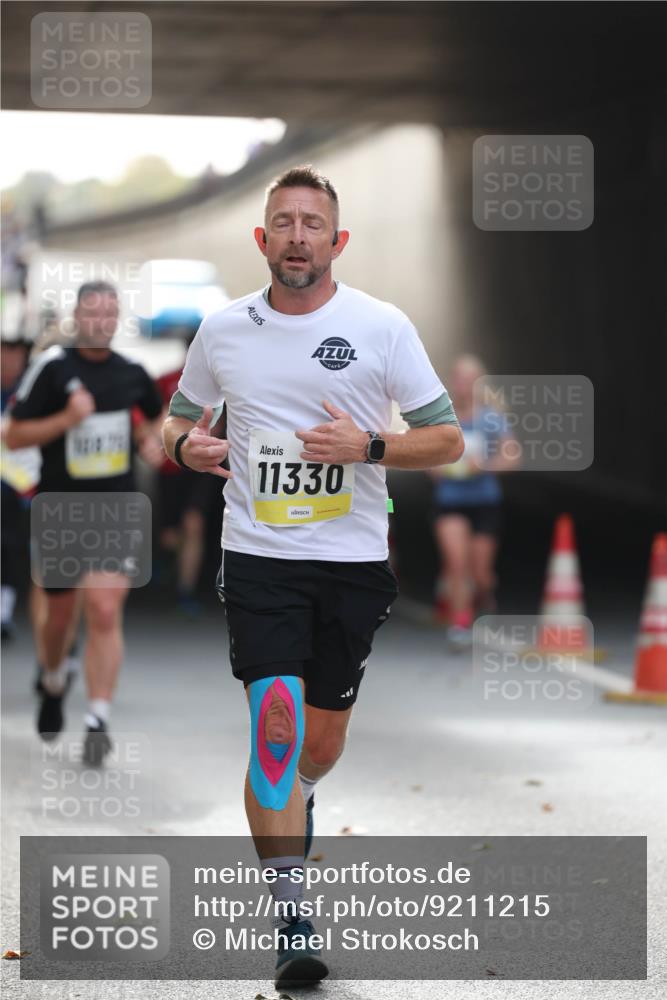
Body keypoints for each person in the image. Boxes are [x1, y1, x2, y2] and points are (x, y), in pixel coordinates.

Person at [162, 165, 464, 988]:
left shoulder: (382, 325)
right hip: (259, 558)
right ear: (262, 239)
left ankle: (295, 798)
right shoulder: (224, 330)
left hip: (353, 563)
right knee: (276, 727)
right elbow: (177, 421)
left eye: (312, 223)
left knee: (315, 747)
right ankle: (292, 915)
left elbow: (445, 440)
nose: (297, 236)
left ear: (337, 240)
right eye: (283, 223)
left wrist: (366, 447)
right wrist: (185, 447)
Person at [4, 281, 163, 765]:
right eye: (92, 312)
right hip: (61, 509)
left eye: (110, 313)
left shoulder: (134, 374)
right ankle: (53, 679)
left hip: (115, 508)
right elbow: (13, 436)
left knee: (105, 608)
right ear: (77, 317)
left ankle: (97, 718)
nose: (101, 321)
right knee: (57, 617)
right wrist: (67, 420)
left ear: (118, 320)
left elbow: (155, 424)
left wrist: (148, 443)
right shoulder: (53, 369)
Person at [430, 354, 520, 646]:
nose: (463, 384)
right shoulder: (442, 418)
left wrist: (485, 465)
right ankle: (460, 623)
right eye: (458, 378)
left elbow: (513, 455)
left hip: (484, 502)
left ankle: (483, 595)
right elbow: (425, 457)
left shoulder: (490, 418)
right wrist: (438, 468)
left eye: (469, 379)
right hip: (450, 501)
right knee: (457, 563)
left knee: (480, 573)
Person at [1, 333, 38, 639]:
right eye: (4, 353)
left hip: (19, 483)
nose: (9, 361)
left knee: (12, 546)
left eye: (15, 355)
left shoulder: (31, 389)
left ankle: (5, 609)